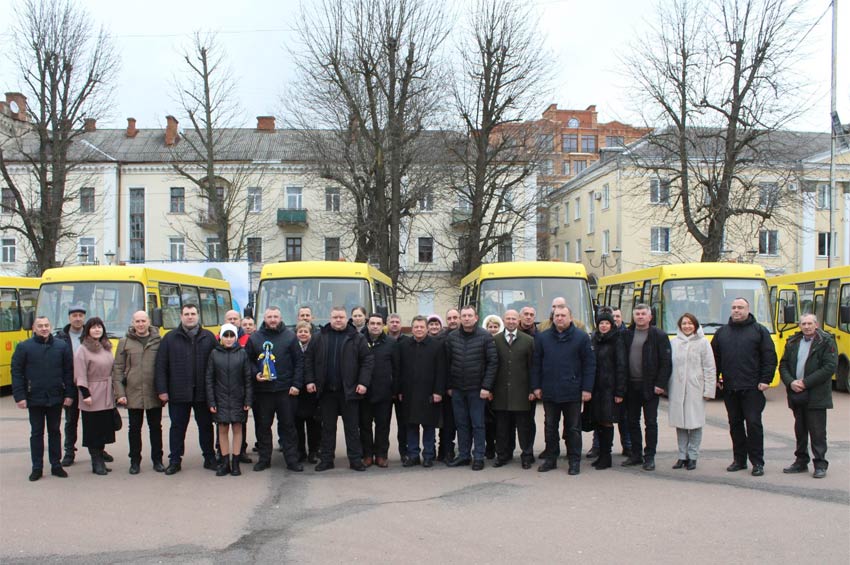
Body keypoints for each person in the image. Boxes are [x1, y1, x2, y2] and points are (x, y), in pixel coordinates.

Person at [712, 297, 777, 477]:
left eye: (740, 307)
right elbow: (714, 358)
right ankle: (739, 460)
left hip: (753, 388)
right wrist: (715, 378)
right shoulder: (722, 333)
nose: (736, 310)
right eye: (733, 307)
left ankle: (757, 462)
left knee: (754, 424)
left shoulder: (759, 331)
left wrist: (766, 379)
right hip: (731, 388)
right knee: (735, 424)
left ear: (748, 309)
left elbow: (769, 357)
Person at [305, 306, 374, 472]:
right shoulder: (319, 337)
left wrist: (363, 383)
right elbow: (308, 359)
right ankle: (327, 460)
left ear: (346, 318)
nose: (338, 320)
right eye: (335, 317)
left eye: (341, 317)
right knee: (328, 428)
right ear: (330, 318)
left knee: (352, 428)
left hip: (349, 391)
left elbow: (367, 361)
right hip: (327, 391)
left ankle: (355, 460)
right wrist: (310, 380)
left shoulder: (356, 337)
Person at [532, 305, 595, 475]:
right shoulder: (543, 338)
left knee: (573, 428)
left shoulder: (581, 338)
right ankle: (551, 459)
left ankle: (574, 460)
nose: (559, 318)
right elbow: (536, 364)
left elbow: (589, 365)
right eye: (556, 315)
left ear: (570, 318)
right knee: (550, 427)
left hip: (572, 391)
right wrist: (536, 386)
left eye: (563, 315)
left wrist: (587, 389)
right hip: (550, 391)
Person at [155, 304, 218, 475]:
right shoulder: (169, 338)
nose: (190, 317)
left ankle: (210, 458)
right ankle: (175, 460)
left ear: (198, 316)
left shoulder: (208, 337)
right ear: (181, 316)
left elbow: (216, 365)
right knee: (177, 427)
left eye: (193, 314)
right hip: (178, 392)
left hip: (203, 393)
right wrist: (162, 390)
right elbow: (161, 366)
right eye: (186, 314)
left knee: (206, 426)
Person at [12, 316, 74, 481]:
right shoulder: (24, 347)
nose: (44, 328)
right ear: (34, 328)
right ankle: (37, 467)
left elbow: (69, 372)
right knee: (37, 433)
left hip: (55, 396)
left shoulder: (61, 347)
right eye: (40, 326)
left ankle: (56, 465)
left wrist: (69, 394)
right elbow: (16, 372)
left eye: (46, 325)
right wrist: (20, 396)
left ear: (51, 326)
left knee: (55, 431)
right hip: (34, 397)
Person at [245, 307, 304, 472]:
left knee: (288, 427)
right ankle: (264, 459)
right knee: (263, 427)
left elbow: (299, 362)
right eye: (269, 317)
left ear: (280, 318)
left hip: (285, 390)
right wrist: (255, 373)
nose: (272, 319)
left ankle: (292, 460)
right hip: (263, 391)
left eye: (275, 316)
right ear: (264, 318)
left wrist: (296, 384)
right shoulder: (255, 338)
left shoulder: (290, 337)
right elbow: (247, 361)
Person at [779, 314, 837, 479]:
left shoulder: (826, 342)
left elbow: (829, 367)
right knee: (800, 429)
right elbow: (783, 365)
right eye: (803, 324)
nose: (806, 326)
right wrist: (791, 382)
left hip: (816, 394)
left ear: (816, 325)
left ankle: (820, 464)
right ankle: (800, 461)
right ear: (800, 326)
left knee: (817, 431)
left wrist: (805, 382)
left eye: (810, 323)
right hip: (797, 393)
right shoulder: (792, 342)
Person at [444, 306, 497, 471]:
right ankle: (464, 455)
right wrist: (450, 386)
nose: (466, 318)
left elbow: (493, 363)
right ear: (460, 318)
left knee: (478, 424)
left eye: (469, 315)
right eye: (463, 315)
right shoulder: (452, 337)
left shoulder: (485, 337)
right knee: (461, 423)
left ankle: (479, 456)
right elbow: (447, 363)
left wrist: (486, 386)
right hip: (458, 389)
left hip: (477, 389)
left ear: (476, 317)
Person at [113, 311, 164, 474]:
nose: (140, 324)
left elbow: (164, 367)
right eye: (137, 321)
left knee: (155, 428)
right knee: (134, 429)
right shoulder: (124, 342)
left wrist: (164, 391)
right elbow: (118, 369)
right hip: (132, 392)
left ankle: (158, 460)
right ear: (133, 323)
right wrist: (120, 393)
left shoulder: (159, 341)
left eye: (143, 321)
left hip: (153, 392)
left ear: (149, 322)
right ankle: (135, 461)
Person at [622, 303, 671, 471]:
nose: (640, 317)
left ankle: (649, 456)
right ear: (633, 317)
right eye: (637, 314)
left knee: (650, 422)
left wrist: (660, 384)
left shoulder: (659, 335)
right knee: (632, 421)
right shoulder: (627, 335)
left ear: (650, 317)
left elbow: (666, 363)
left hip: (650, 386)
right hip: (631, 386)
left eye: (643, 314)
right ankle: (636, 455)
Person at [668, 313, 716, 470]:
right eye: (684, 323)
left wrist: (709, 390)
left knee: (695, 423)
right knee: (680, 423)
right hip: (677, 389)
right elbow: (668, 366)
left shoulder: (703, 343)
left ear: (695, 325)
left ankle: (693, 456)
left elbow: (709, 368)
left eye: (690, 323)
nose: (687, 326)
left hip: (696, 388)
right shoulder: (674, 343)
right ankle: (682, 456)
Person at [206, 323, 253, 476]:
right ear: (221, 337)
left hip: (238, 399)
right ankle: (225, 462)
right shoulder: (214, 354)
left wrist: (248, 400)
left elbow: (247, 378)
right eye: (225, 335)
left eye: (231, 335)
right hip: (220, 399)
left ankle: (235, 463)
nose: (228, 339)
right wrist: (211, 401)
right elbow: (209, 379)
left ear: (236, 337)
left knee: (238, 429)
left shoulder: (242, 353)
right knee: (223, 430)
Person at [398, 316, 445, 467]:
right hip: (409, 393)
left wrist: (438, 391)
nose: (419, 329)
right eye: (416, 327)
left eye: (421, 327)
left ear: (426, 328)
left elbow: (441, 371)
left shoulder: (436, 346)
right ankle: (413, 455)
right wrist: (399, 390)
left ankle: (428, 455)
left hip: (429, 393)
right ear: (412, 329)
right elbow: (399, 369)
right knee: (411, 425)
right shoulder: (404, 345)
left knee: (429, 425)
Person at [492, 310, 535, 469]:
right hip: (501, 391)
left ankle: (527, 455)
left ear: (519, 320)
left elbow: (533, 367)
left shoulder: (529, 341)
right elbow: (492, 366)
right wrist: (489, 389)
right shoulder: (495, 340)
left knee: (524, 427)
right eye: (508, 318)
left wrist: (532, 389)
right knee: (502, 427)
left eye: (514, 319)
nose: (511, 321)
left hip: (522, 392)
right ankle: (503, 455)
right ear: (503, 320)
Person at [74, 317, 117, 476]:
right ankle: (96, 461)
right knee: (93, 429)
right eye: (93, 327)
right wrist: (85, 394)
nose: (97, 330)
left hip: (106, 393)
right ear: (88, 330)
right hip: (91, 393)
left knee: (104, 427)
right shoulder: (83, 350)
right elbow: (80, 373)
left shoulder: (106, 347)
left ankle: (101, 454)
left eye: (99, 327)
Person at [55, 304, 95, 467]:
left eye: (80, 315)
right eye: (74, 315)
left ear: (84, 317)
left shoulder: (91, 335)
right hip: (70, 385)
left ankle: (97, 451)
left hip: (90, 385)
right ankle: (69, 452)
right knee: (71, 421)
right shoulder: (60, 338)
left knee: (92, 421)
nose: (78, 318)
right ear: (69, 318)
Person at [589, 310, 626, 470]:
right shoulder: (594, 339)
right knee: (598, 421)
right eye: (601, 323)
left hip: (610, 389)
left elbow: (621, 366)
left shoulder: (617, 340)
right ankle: (601, 454)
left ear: (611, 325)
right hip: (596, 388)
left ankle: (606, 456)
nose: (603, 326)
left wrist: (620, 391)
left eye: (607, 323)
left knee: (607, 421)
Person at [360, 313, 399, 468]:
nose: (375, 326)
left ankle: (381, 455)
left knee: (383, 426)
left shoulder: (390, 343)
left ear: (383, 325)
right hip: (364, 392)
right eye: (372, 323)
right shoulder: (360, 341)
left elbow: (396, 368)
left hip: (384, 392)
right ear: (368, 325)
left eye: (378, 323)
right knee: (364, 425)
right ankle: (367, 455)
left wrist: (394, 389)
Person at [293, 320, 320, 464]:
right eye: (300, 331)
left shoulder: (315, 347)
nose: (303, 334)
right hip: (296, 391)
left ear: (310, 334)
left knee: (313, 424)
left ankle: (314, 451)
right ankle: (300, 451)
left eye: (306, 332)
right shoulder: (293, 346)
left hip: (311, 390)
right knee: (297, 423)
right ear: (296, 333)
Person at [386, 312, 408, 460]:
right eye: (391, 321)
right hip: (385, 390)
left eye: (397, 321)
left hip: (402, 390)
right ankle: (382, 454)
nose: (394, 324)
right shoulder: (383, 340)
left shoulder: (407, 342)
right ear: (387, 324)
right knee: (383, 424)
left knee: (404, 424)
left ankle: (404, 452)